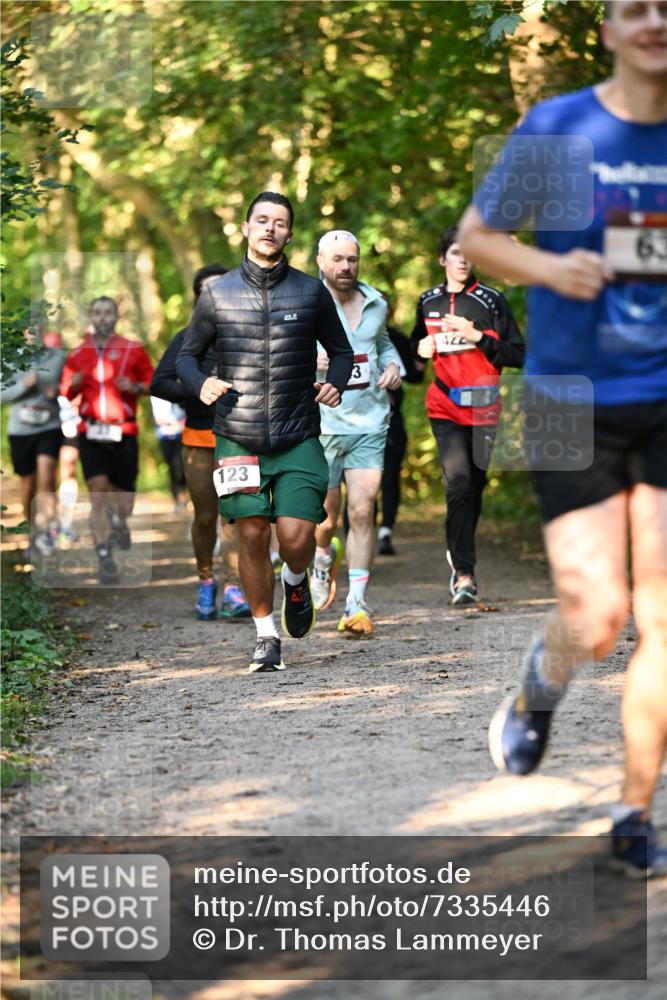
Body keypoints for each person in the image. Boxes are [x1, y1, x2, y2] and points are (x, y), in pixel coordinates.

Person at [459, 0, 667, 875]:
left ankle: (632, 813)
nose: (655, 21)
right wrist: (550, 267)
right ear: (610, 30)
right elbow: (479, 238)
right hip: (562, 395)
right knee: (598, 612)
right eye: (636, 9)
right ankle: (538, 689)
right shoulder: (561, 126)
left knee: (660, 615)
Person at [176, 192, 353, 672]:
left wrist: (335, 385)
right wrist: (201, 383)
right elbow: (186, 357)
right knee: (252, 535)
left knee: (297, 536)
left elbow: (340, 351)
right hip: (236, 434)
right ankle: (266, 636)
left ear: (290, 234)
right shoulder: (218, 293)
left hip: (297, 433)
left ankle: (296, 579)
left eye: (280, 222)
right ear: (246, 227)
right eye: (262, 220)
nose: (270, 228)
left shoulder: (310, 292)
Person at [411, 227, 524, 604]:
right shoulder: (427, 302)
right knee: (457, 484)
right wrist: (419, 349)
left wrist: (478, 338)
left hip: (485, 407)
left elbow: (517, 354)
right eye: (455, 254)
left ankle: (461, 551)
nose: (463, 261)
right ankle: (464, 573)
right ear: (443, 259)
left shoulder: (492, 301)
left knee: (473, 489)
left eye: (469, 254)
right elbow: (414, 357)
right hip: (443, 404)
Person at [311, 231, 401, 636]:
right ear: (320, 262)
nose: (345, 267)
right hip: (323, 424)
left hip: (369, 422)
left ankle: (356, 604)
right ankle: (321, 558)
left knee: (362, 510)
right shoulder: (305, 301)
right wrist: (311, 358)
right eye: (337, 260)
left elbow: (382, 345)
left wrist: (394, 364)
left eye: (352, 259)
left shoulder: (377, 303)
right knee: (326, 518)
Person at [150, 263, 251, 621]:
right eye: (206, 293)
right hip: (198, 439)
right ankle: (206, 581)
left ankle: (234, 589)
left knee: (235, 517)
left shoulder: (245, 333)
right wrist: (197, 391)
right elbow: (158, 383)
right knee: (206, 516)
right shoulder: (185, 339)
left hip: (239, 438)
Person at [60, 296, 154, 584]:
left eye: (108, 312)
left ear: (116, 316)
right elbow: (64, 393)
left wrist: (135, 386)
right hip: (91, 432)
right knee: (98, 493)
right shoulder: (78, 353)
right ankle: (104, 557)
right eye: (97, 312)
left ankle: (120, 522)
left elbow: (153, 384)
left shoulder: (133, 350)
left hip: (124, 431)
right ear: (91, 316)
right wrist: (71, 386)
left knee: (123, 502)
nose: (102, 317)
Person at [4, 328, 65, 559]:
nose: (34, 334)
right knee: (28, 486)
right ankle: (33, 533)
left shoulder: (58, 356)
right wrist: (24, 386)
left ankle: (47, 534)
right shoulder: (11, 358)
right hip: (20, 430)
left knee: (47, 476)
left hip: (49, 426)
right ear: (24, 333)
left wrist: (58, 391)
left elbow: (71, 385)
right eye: (30, 330)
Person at [376, 299, 423, 556]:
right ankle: (360, 528)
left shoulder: (397, 338)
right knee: (362, 477)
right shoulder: (350, 334)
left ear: (390, 311)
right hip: (358, 419)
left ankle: (386, 530)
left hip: (392, 418)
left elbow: (416, 377)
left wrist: (421, 357)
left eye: (384, 307)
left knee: (390, 474)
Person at [150, 395, 188, 511]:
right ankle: (176, 498)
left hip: (181, 434)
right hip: (164, 435)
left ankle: (184, 495)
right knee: (171, 467)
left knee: (180, 465)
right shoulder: (155, 396)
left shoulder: (179, 390)